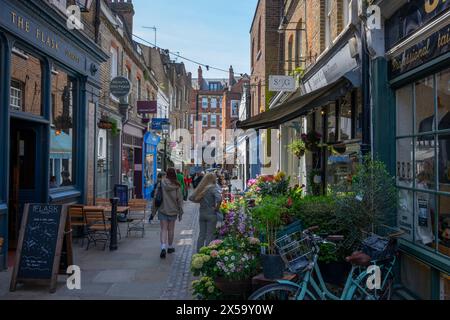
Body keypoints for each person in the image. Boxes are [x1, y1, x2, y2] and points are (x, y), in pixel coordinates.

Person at [189, 173, 222, 252]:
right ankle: (207, 253)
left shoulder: (201, 188)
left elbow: (191, 198)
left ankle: (199, 252)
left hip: (202, 213)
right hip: (211, 213)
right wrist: (216, 208)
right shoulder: (213, 188)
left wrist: (200, 200)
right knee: (209, 235)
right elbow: (219, 199)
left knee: (201, 235)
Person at [158, 168, 184, 258]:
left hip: (162, 209)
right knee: (171, 229)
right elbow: (180, 199)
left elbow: (156, 196)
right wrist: (180, 211)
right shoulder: (177, 185)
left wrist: (153, 211)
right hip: (173, 210)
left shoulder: (162, 183)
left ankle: (163, 248)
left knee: (163, 229)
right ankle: (170, 247)